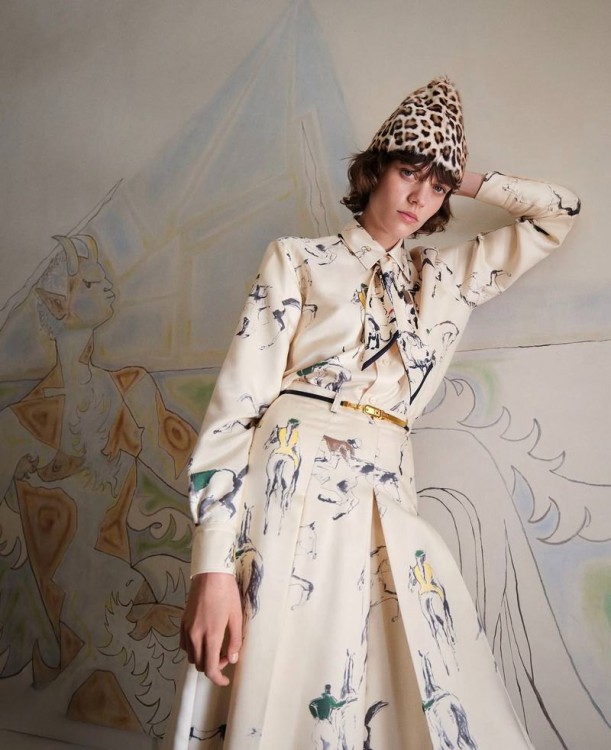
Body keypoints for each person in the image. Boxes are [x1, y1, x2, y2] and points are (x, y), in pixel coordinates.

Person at [165, 77, 580, 749]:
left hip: (385, 497)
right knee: (278, 676)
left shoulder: (446, 280)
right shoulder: (297, 260)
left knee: (394, 692)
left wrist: (462, 176)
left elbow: (559, 213)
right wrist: (210, 566)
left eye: (436, 186)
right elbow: (234, 412)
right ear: (375, 170)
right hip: (288, 490)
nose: (419, 197)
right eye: (408, 172)